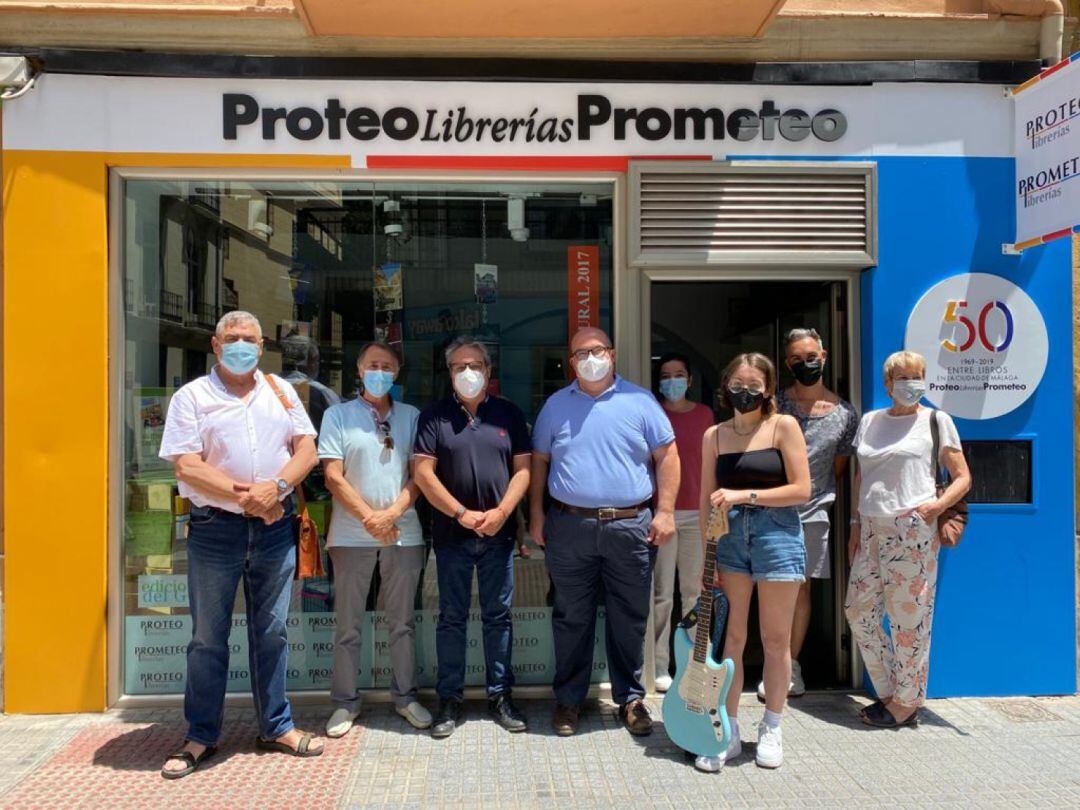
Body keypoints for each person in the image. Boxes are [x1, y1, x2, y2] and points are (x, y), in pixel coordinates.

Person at [157, 310, 322, 779]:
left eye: (249, 337)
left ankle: (276, 726)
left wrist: (277, 489)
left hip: (275, 530)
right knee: (208, 638)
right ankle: (200, 735)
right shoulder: (192, 397)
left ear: (262, 342)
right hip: (215, 530)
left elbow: (306, 449)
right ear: (215, 344)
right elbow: (186, 466)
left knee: (271, 631)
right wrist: (249, 497)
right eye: (232, 338)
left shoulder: (280, 390)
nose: (241, 344)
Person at [529, 327, 679, 738]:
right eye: (580, 353)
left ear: (611, 354)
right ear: (571, 361)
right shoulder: (555, 405)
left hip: (630, 525)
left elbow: (667, 455)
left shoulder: (640, 401)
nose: (589, 358)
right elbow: (539, 461)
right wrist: (537, 515)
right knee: (571, 615)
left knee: (629, 616)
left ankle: (630, 698)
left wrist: (665, 511)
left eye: (596, 350)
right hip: (569, 524)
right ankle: (569, 700)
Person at [694, 352, 811, 773]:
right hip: (729, 540)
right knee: (733, 641)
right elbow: (707, 499)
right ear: (726, 388)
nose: (744, 394)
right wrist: (706, 559)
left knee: (776, 640)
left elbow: (801, 489)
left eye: (753, 388)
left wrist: (746, 496)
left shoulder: (783, 426)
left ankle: (772, 725)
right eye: (737, 386)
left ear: (768, 390)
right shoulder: (715, 436)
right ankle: (728, 730)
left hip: (777, 535)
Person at [413, 337, 532, 739]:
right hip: (451, 534)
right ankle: (450, 699)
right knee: (452, 619)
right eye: (459, 366)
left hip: (498, 535)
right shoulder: (434, 417)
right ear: (449, 373)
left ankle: (501, 697)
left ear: (488, 369)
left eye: (475, 365)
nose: (468, 372)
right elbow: (423, 475)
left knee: (499, 617)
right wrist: (461, 514)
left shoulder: (509, 414)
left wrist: (502, 514)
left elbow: (523, 471)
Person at [844, 350, 971, 728]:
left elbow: (963, 476)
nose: (910, 385)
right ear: (887, 384)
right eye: (902, 378)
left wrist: (935, 508)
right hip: (869, 526)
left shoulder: (936, 420)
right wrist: (854, 524)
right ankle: (891, 690)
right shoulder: (869, 421)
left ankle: (905, 703)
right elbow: (860, 476)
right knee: (858, 609)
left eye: (917, 377)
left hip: (911, 528)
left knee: (909, 621)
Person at [319, 341, 431, 738]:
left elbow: (421, 475)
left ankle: (405, 697)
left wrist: (391, 514)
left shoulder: (413, 417)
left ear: (396, 372)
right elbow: (332, 475)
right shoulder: (337, 415)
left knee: (401, 623)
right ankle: (345, 703)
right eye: (372, 365)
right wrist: (369, 517)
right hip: (351, 536)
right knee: (348, 625)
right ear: (359, 370)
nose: (379, 371)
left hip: (404, 533)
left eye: (386, 366)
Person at [757, 328, 858, 701]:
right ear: (787, 364)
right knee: (769, 586)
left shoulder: (846, 414)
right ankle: (771, 662)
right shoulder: (774, 404)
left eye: (811, 357)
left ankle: (788, 666)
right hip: (769, 507)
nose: (805, 364)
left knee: (801, 589)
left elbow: (840, 468)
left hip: (815, 511)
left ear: (825, 355)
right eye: (797, 360)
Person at [652, 352, 713, 693]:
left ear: (689, 380)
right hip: (663, 514)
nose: (672, 380)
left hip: (697, 515)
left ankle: (693, 664)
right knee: (662, 594)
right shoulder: (653, 414)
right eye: (666, 375)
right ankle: (660, 665)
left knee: (694, 593)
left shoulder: (705, 416)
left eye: (679, 374)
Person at [281, 333, 341, 434]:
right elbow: (339, 429)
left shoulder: (265, 387)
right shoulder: (322, 393)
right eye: (316, 361)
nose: (317, 366)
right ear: (307, 363)